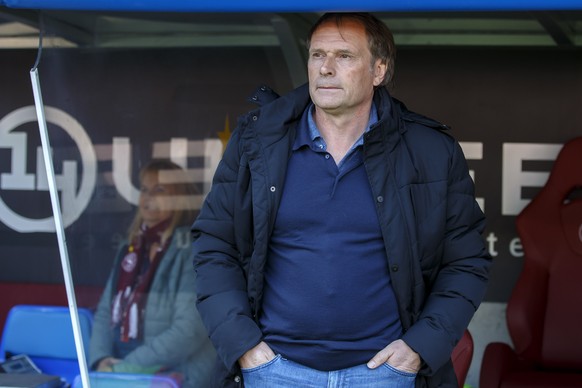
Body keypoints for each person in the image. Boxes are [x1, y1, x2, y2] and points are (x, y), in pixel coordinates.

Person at [191, 12, 491, 388]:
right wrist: (243, 346)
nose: (326, 69)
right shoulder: (258, 142)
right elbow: (215, 244)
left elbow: (466, 260)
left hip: (384, 374)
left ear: (378, 71)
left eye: (344, 56)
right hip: (273, 371)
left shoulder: (430, 149)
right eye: (318, 55)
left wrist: (418, 348)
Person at [90, 159, 215, 387]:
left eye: (160, 190)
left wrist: (125, 369)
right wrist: (101, 360)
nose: (148, 198)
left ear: (179, 198)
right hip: (120, 367)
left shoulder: (193, 247)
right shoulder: (131, 247)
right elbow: (104, 312)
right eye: (145, 190)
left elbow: (188, 331)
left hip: (174, 374)